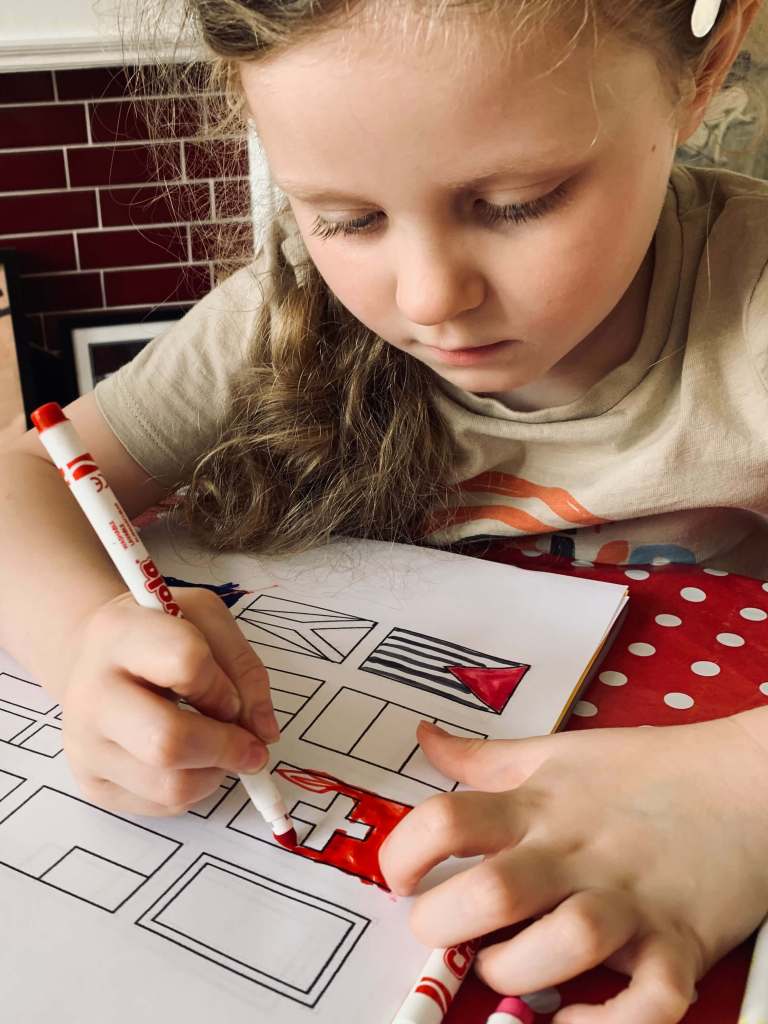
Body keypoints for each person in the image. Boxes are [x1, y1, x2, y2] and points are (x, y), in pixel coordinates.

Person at [1, 0, 767, 1019]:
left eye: (516, 202)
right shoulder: (282, 315)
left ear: (703, 69)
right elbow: (21, 478)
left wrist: (740, 796)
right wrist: (84, 638)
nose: (430, 296)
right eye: (348, 218)